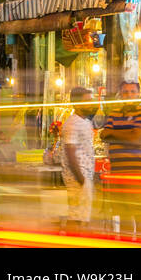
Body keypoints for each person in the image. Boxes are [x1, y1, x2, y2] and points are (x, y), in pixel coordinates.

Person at [101, 80, 141, 237]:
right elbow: (103, 134)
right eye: (125, 92)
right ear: (120, 94)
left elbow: (136, 138)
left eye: (132, 92)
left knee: (140, 213)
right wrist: (127, 133)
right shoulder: (115, 112)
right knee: (123, 213)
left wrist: (114, 132)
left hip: (137, 172)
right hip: (117, 171)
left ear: (138, 94)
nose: (129, 95)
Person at [61, 87, 97, 228]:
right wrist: (81, 179)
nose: (91, 104)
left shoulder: (86, 121)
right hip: (78, 177)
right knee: (76, 216)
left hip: (85, 175)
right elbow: (70, 151)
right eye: (87, 101)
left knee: (82, 216)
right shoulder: (72, 123)